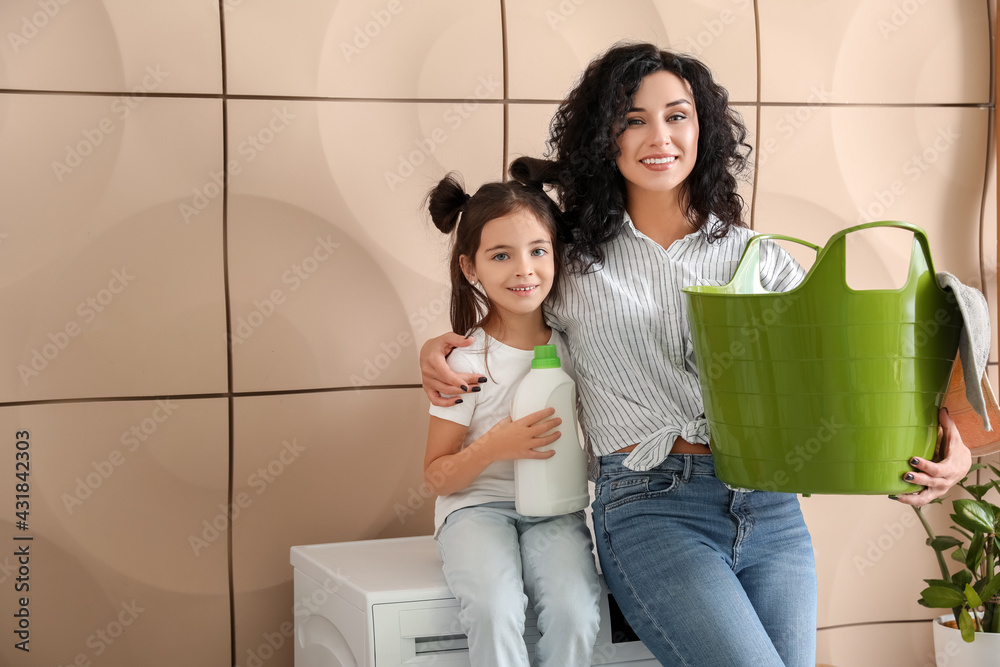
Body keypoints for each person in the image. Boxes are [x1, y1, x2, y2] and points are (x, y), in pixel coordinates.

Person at [419, 43, 972, 666]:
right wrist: (436, 349)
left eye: (677, 115)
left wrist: (949, 440)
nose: (659, 136)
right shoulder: (567, 258)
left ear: (702, 129)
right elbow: (502, 312)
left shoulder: (755, 254)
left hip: (771, 507)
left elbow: (850, 367)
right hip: (652, 508)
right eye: (633, 119)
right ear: (604, 137)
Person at [421, 173, 601, 665]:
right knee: (495, 609)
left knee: (576, 613)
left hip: (556, 508)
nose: (524, 269)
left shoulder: (576, 346)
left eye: (539, 251)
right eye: (501, 255)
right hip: (476, 508)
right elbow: (437, 474)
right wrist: (494, 447)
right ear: (470, 267)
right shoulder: (466, 361)